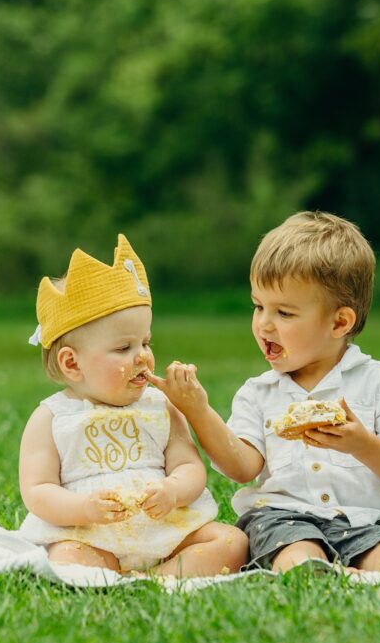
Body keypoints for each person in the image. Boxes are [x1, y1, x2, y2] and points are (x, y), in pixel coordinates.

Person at [146, 212, 380, 576]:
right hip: (282, 519)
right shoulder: (259, 393)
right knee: (294, 553)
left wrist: (362, 444)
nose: (264, 324)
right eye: (258, 306)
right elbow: (242, 468)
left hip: (367, 520)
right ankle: (319, 571)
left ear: (339, 322)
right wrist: (198, 411)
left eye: (284, 313)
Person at [17, 234, 248, 577]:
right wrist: (84, 508)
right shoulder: (52, 418)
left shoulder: (161, 407)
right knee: (66, 557)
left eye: (146, 342)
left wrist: (173, 490)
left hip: (168, 531)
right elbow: (37, 491)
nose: (142, 355)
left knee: (232, 542)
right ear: (72, 364)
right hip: (91, 535)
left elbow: (189, 467)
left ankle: (159, 577)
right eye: (124, 348)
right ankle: (109, 572)